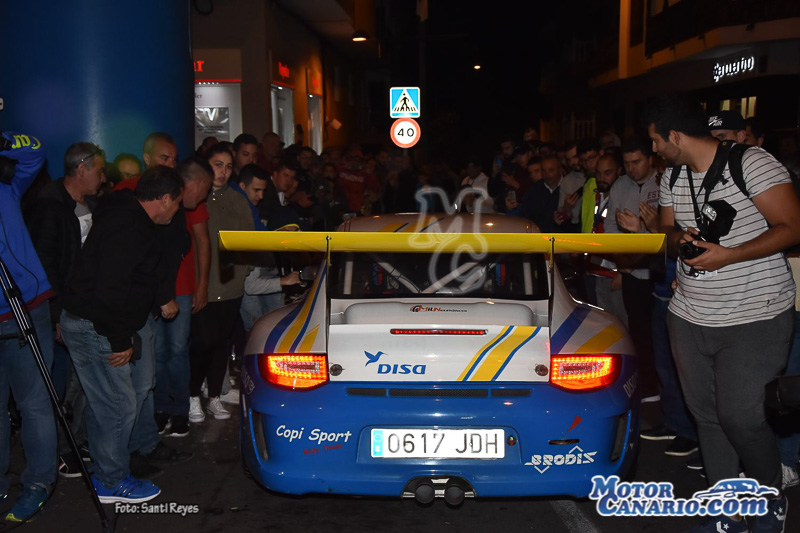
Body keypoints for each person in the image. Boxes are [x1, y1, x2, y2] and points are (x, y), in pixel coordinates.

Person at [645, 92, 800, 533]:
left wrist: (729, 255)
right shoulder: (674, 175)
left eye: (655, 140)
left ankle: (768, 498)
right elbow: (667, 232)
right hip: (689, 315)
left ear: (675, 135)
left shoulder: (753, 163)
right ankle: (726, 510)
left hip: (755, 314)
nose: (654, 149)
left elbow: (793, 227)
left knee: (741, 417)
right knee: (709, 419)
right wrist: (679, 241)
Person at [59, 165, 184, 504]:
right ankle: (111, 482)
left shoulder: (128, 215)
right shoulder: (128, 227)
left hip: (98, 321)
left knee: (108, 402)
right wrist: (120, 340)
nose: (178, 210)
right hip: (96, 325)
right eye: (177, 203)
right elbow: (110, 290)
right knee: (118, 404)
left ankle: (106, 470)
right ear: (164, 199)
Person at [26, 142, 106, 478]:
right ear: (81, 168)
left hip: (85, 304)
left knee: (83, 379)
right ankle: (61, 449)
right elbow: (45, 264)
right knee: (61, 381)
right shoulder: (50, 206)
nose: (103, 177)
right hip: (59, 308)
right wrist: (57, 313)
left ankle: (77, 441)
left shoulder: (91, 203)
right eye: (99, 170)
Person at [0, 131, 58, 522]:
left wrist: (2, 140)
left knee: (33, 404)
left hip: (25, 306)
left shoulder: (7, 185)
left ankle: (38, 484)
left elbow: (34, 151)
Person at [189, 145, 254, 423]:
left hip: (230, 286)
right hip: (201, 285)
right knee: (201, 343)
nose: (223, 172)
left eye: (228, 166)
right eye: (218, 165)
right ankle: (193, 395)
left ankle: (214, 396)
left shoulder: (237, 200)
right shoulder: (195, 197)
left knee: (221, 344)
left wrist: (241, 273)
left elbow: (249, 242)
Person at [153, 157, 213, 438]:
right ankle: (160, 408)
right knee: (157, 352)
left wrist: (202, 286)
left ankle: (179, 411)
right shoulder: (159, 197)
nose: (206, 196)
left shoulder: (192, 205)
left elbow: (203, 241)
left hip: (182, 287)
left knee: (177, 350)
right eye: (206, 189)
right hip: (154, 289)